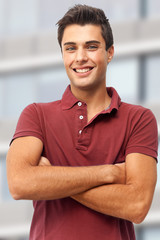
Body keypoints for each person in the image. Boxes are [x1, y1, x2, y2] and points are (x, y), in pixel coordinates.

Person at [7, 4, 158, 240]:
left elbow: (137, 206)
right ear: (63, 55)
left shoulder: (139, 119)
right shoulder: (36, 115)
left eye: (91, 46)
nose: (80, 57)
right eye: (71, 48)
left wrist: (51, 179)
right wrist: (108, 173)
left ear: (109, 52)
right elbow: (19, 184)